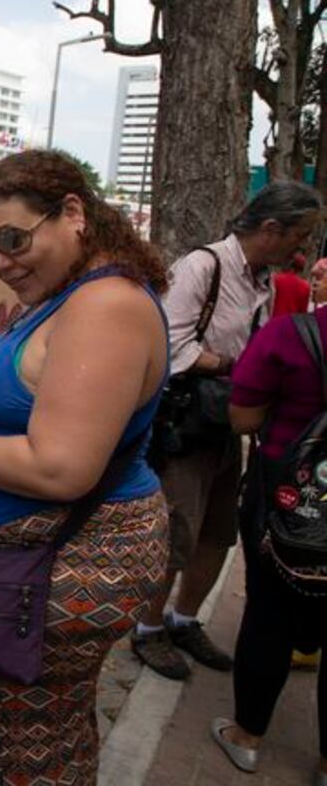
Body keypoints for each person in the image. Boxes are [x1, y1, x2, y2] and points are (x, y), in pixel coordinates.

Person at [0, 150, 170, 782]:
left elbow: (60, 466)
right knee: (36, 729)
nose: (0, 262)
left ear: (73, 214)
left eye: (14, 240)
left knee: (17, 748)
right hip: (37, 559)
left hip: (62, 559)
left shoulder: (104, 305)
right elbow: (52, 398)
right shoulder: (76, 294)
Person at [132, 181, 323, 681]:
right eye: (298, 236)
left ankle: (184, 618)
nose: (301, 249)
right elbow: (171, 348)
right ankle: (148, 628)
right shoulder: (203, 266)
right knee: (177, 529)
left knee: (218, 532)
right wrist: (240, 367)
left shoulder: (266, 281)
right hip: (187, 425)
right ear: (270, 228)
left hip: (226, 424)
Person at [209, 267, 326, 784]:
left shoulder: (290, 336)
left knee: (268, 615)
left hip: (285, 497)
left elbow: (243, 419)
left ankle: (248, 737)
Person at [272, 252, 311, 317]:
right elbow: (303, 312)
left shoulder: (276, 279)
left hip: (274, 321)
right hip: (291, 324)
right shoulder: (305, 286)